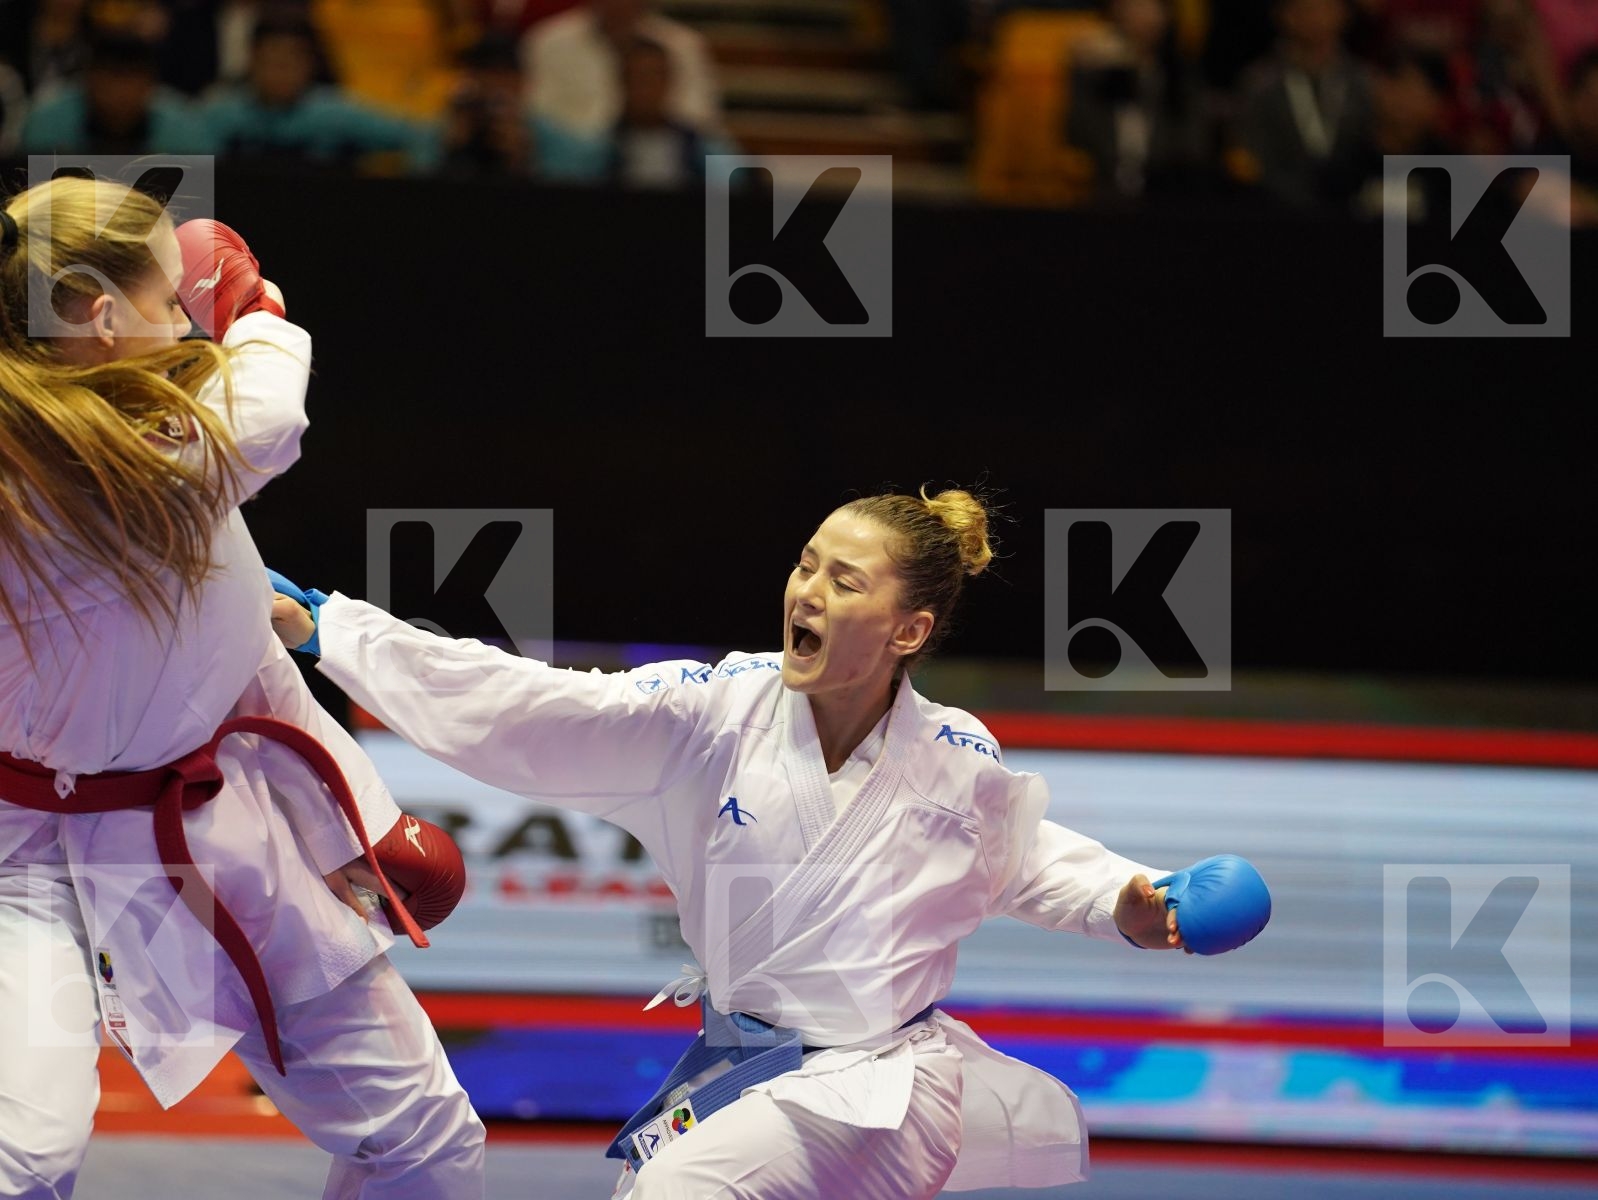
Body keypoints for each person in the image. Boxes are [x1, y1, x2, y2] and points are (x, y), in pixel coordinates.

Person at [269, 486, 1270, 1199]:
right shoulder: (718, 709)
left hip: (881, 1086)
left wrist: (1138, 903)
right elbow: (537, 704)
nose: (807, 592)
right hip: (745, 1068)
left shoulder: (953, 758)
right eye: (805, 565)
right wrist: (335, 633)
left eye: (844, 581)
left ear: (908, 630)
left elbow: (1032, 859)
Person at [0, 175, 485, 1197]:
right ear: (101, 317)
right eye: (170, 301)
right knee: (22, 1152)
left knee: (424, 1137)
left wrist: (354, 823)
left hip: (214, 835)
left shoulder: (155, 441)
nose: (188, 324)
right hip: (22, 861)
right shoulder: (55, 469)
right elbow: (262, 418)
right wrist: (253, 307)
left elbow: (246, 668)